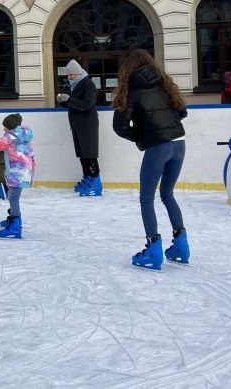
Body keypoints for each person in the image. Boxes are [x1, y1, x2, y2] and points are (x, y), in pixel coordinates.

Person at [111, 50, 189, 271]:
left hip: (158, 147)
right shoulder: (165, 84)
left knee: (147, 198)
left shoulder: (130, 90)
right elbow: (182, 112)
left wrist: (142, 137)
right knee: (167, 194)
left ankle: (153, 250)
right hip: (179, 143)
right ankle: (181, 246)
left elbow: (120, 127)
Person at [57, 60, 101, 196]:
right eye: (68, 75)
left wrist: (69, 99)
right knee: (82, 153)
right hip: (77, 124)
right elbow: (73, 105)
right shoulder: (75, 85)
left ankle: (95, 182)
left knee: (89, 153)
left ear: (79, 73)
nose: (70, 78)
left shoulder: (88, 84)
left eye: (72, 75)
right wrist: (63, 102)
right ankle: (87, 177)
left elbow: (87, 104)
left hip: (87, 124)